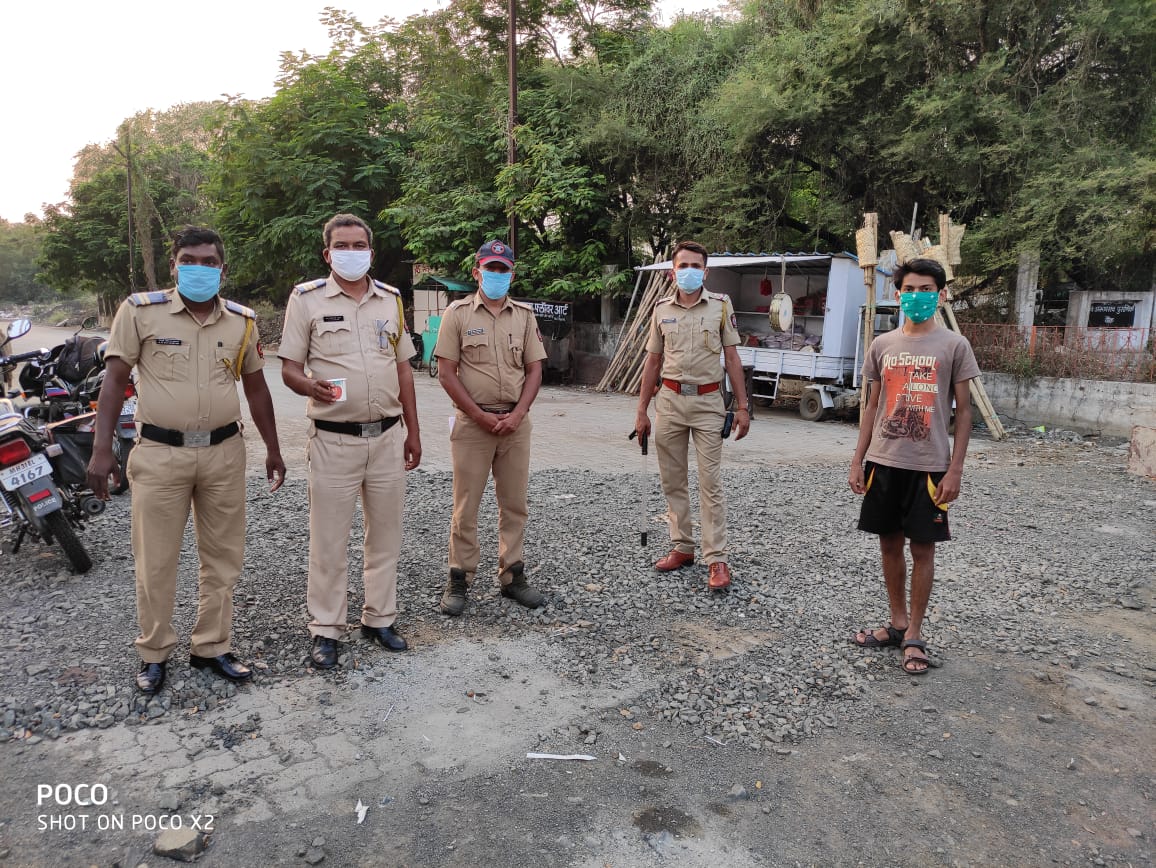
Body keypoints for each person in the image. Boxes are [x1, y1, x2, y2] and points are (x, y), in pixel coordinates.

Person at [87, 226, 285, 695]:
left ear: (223, 268)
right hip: (159, 454)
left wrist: (274, 449)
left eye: (209, 261)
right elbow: (114, 382)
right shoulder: (139, 311)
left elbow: (256, 389)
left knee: (223, 558)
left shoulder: (242, 321)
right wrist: (101, 450)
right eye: (190, 260)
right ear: (174, 265)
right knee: (155, 560)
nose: (200, 268)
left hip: (223, 454)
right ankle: (154, 652)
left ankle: (212, 646)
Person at [279, 214, 421, 669]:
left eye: (360, 244)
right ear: (328, 253)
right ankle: (326, 628)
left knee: (385, 536)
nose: (352, 251)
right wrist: (307, 387)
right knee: (329, 540)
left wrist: (413, 431)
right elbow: (288, 367)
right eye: (343, 245)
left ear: (371, 252)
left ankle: (380, 619)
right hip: (333, 440)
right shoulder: (306, 300)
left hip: (387, 437)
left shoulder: (391, 300)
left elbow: (403, 368)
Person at [848, 257, 981, 675]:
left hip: (929, 467)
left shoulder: (954, 346)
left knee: (922, 549)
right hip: (884, 462)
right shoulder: (882, 346)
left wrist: (955, 469)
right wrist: (858, 459)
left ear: (941, 296)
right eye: (911, 289)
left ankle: (915, 635)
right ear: (898, 293)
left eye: (927, 289)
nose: (918, 296)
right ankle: (897, 622)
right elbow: (872, 405)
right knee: (889, 545)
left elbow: (964, 411)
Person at [433, 240, 548, 614]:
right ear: (476, 272)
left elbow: (534, 370)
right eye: (491, 268)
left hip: (516, 423)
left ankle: (512, 575)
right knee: (466, 506)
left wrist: (518, 414)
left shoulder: (525, 316)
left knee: (514, 503)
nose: (497, 275)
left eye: (504, 269)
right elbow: (446, 374)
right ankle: (459, 578)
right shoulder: (458, 314)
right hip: (472, 423)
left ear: (512, 273)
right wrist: (480, 416)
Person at [634, 240, 750, 592]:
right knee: (672, 480)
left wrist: (742, 407)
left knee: (710, 483)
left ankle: (716, 559)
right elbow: (652, 361)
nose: (688, 271)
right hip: (668, 401)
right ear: (673, 271)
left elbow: (731, 358)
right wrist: (641, 410)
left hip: (708, 403)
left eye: (695, 265)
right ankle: (682, 547)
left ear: (706, 271)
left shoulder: (719, 306)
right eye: (682, 265)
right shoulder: (660, 310)